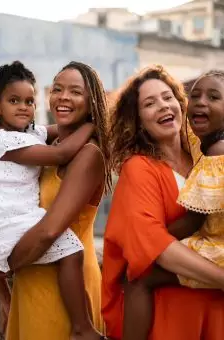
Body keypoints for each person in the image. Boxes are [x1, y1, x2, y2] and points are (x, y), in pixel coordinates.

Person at [0, 61, 104, 340]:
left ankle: (83, 328)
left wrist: (95, 121)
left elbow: (49, 231)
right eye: (57, 89)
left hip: (61, 283)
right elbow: (60, 150)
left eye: (29, 101)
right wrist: (91, 123)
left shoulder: (74, 150)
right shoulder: (7, 141)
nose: (64, 97)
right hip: (31, 277)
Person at [102, 65, 224, 340]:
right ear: (138, 120)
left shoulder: (204, 151)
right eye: (150, 103)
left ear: (180, 105)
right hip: (175, 318)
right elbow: (152, 244)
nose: (162, 106)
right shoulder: (139, 169)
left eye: (168, 97)